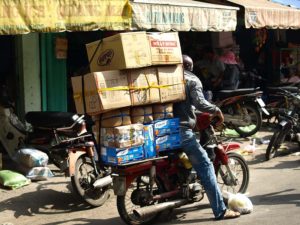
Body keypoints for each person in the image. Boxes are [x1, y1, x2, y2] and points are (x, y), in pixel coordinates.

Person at [173, 55, 241, 220]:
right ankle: (221, 211)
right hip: (183, 131)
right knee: (206, 166)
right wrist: (216, 110)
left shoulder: (168, 79)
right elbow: (201, 104)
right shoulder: (191, 79)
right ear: (190, 67)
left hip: (161, 132)